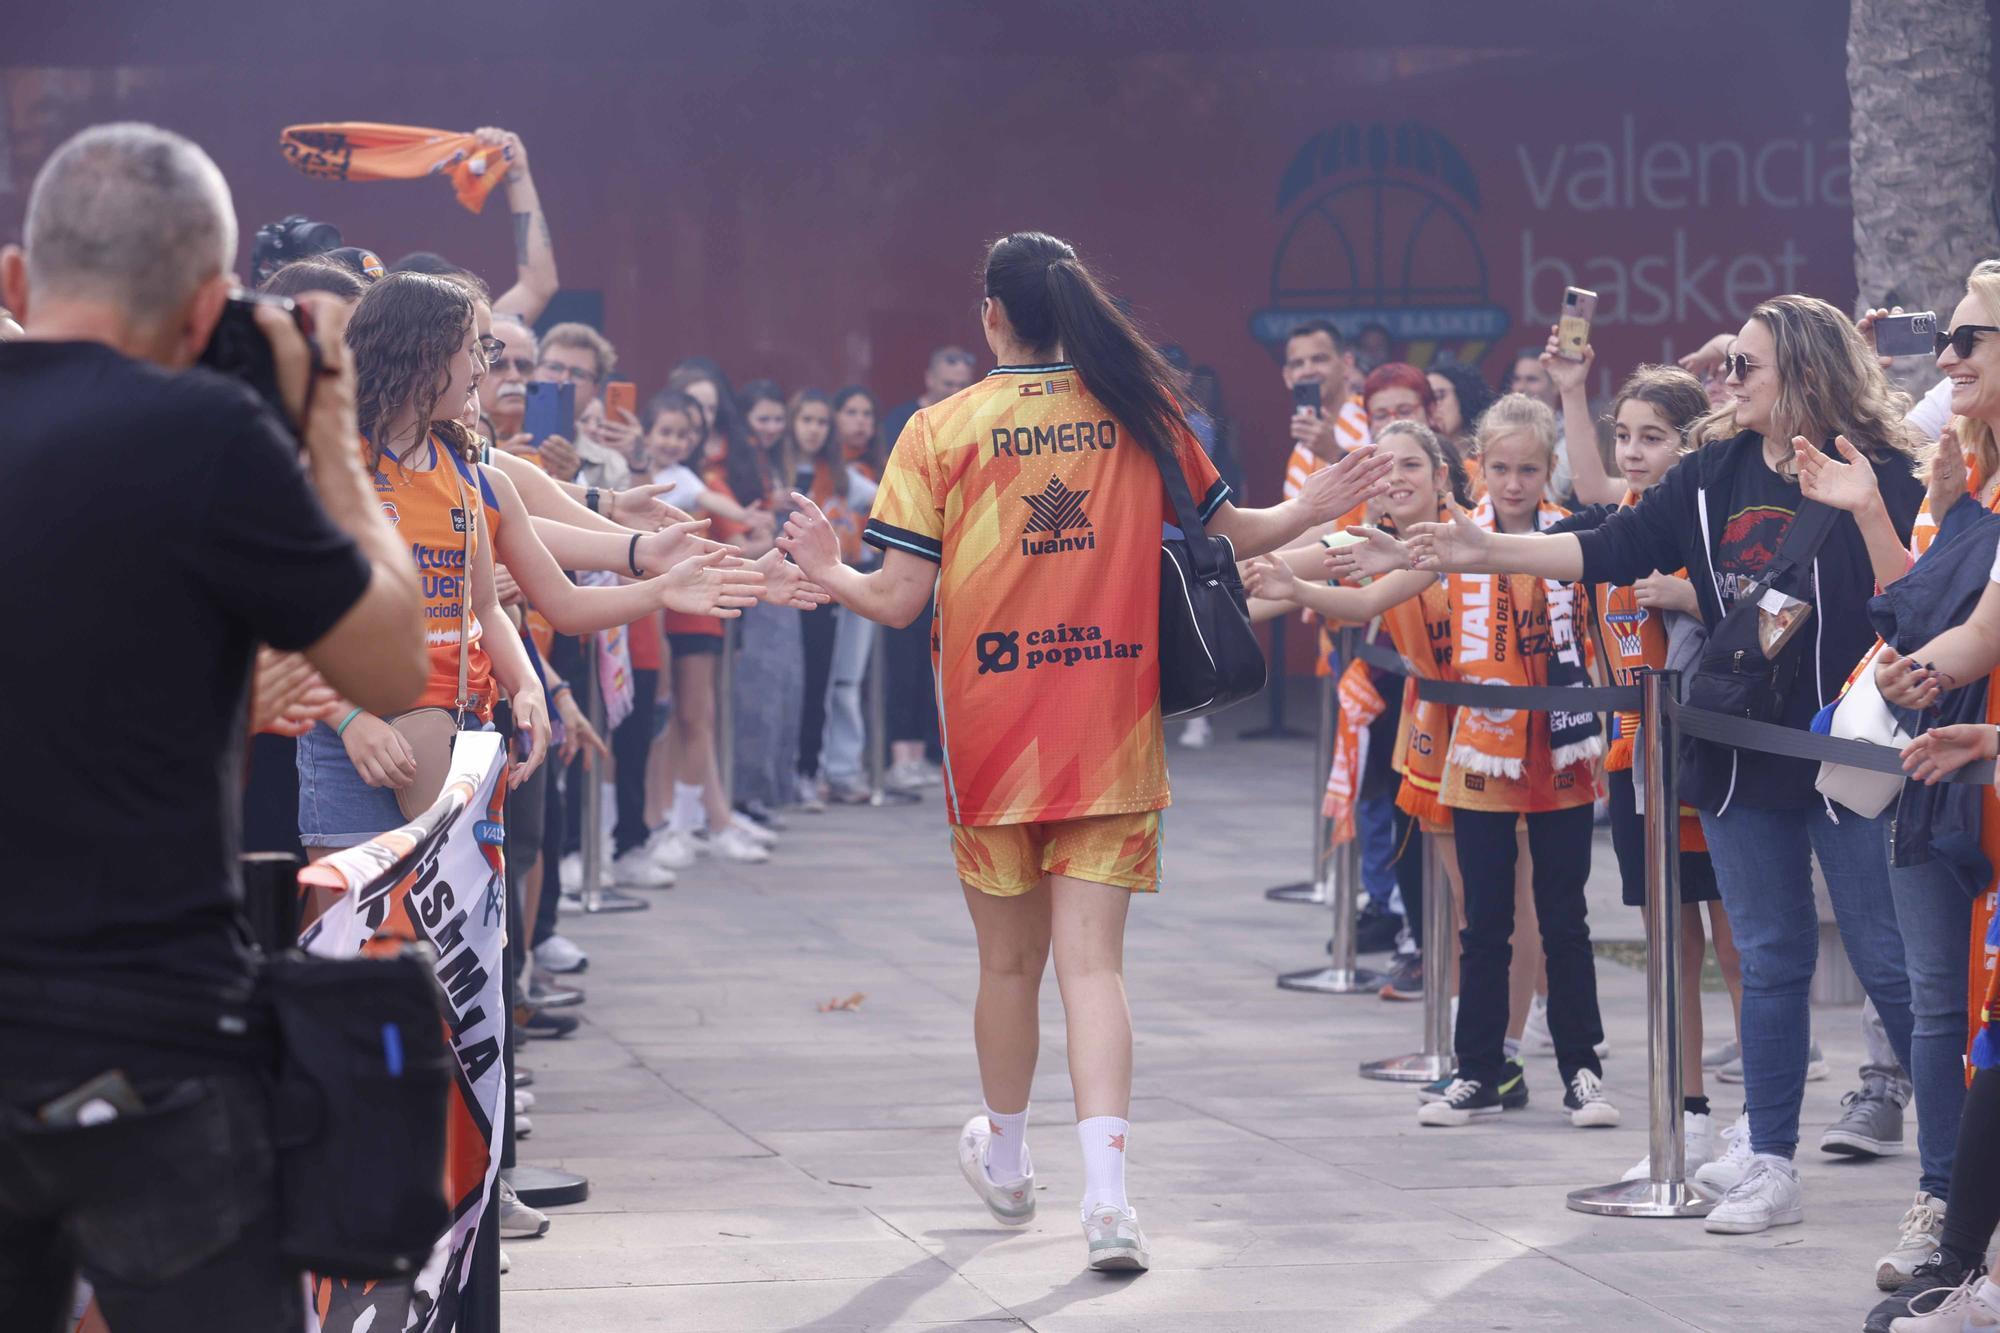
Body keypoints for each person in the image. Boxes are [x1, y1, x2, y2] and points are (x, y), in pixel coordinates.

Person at [779, 230, 1391, 1273]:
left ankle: (1008, 1163)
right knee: (1092, 967)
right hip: (1108, 727)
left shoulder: (937, 430)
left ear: (989, 317)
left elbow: (895, 600)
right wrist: (1316, 505)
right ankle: (1107, 1204)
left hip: (990, 740)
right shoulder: (1140, 413)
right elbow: (1233, 530)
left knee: (1006, 964)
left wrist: (828, 570)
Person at [0, 121, 424, 1332]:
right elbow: (393, 660)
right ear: (204, 313)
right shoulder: (205, 437)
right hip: (148, 1046)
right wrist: (326, 421)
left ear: (17, 283)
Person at [1405, 295, 1925, 1244]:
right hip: (1735, 751)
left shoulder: (1880, 467)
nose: (1728, 382)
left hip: (1850, 751)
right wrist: (1486, 547)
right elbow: (1612, 546)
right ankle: (1769, 1157)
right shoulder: (1709, 471)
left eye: (1747, 367)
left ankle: (1949, 1178)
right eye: (1732, 366)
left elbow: (1916, 599)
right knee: (1769, 961)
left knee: (1894, 965)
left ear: (1804, 370)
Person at [1548, 356, 1745, 1179]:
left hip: (1706, 753)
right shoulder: (1621, 518)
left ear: (1692, 444)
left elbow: (1775, 603)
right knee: (1670, 940)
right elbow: (1589, 480)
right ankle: (1686, 1117)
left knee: (1739, 943)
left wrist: (1690, 595)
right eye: (1623, 435)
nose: (1632, 453)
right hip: (1634, 757)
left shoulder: (1711, 519)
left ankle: (1757, 1125)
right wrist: (1569, 388)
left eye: (1652, 438)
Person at [1242, 422, 1471, 1011]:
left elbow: (1356, 597)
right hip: (1425, 724)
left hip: (1489, 727)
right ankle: (1457, 1006)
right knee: (1421, 861)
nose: (1396, 478)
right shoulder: (1372, 536)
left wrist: (1289, 586)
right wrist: (1197, 588)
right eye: (1383, 466)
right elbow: (1283, 568)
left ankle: (1512, 1017)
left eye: (1411, 465)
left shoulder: (1467, 532)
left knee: (1491, 891)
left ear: (1442, 475)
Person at [881, 348, 975, 790]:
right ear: (929, 378)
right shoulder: (906, 422)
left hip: (961, 561)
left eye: (962, 385)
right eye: (946, 383)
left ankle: (933, 751)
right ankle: (901, 755)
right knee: (904, 657)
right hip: (909, 549)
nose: (953, 392)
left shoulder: (974, 423)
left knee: (944, 661)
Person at [786, 388, 880, 806]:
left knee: (826, 682)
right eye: (806, 420)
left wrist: (861, 539)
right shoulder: (777, 467)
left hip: (825, 590)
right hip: (775, 587)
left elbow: (883, 502)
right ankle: (790, 772)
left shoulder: (840, 474)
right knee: (788, 685)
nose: (813, 429)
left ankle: (814, 771)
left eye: (821, 422)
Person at [822, 385, 888, 800]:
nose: (860, 420)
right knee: (820, 680)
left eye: (867, 413)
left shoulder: (877, 469)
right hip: (818, 578)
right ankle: (814, 769)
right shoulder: (819, 468)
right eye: (851, 411)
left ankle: (843, 770)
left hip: (861, 572)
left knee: (848, 679)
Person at [1428, 361, 1497, 465]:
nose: (1432, 406)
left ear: (1464, 395)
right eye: (1426, 399)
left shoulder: (1493, 450)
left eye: (1439, 396)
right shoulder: (1423, 460)